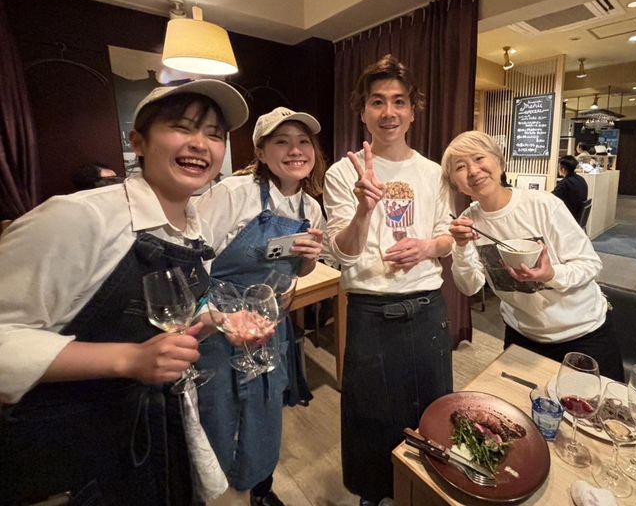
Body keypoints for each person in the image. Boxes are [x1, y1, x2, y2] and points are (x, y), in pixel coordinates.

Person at [0, 79, 251, 504]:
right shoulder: (79, 217)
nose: (200, 144)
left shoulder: (195, 227)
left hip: (156, 431)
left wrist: (211, 321)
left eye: (214, 134)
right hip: (74, 455)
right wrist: (131, 359)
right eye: (183, 127)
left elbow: (161, 322)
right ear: (138, 142)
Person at [323, 55, 454, 505]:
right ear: (363, 111)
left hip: (428, 309)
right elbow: (342, 254)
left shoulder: (433, 172)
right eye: (377, 102)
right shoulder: (343, 172)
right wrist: (363, 209)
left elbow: (448, 236)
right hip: (371, 311)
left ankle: (427, 489)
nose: (389, 112)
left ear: (413, 111)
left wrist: (427, 247)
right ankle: (374, 493)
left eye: (399, 102)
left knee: (433, 408)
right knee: (370, 415)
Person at [195, 107, 326, 506]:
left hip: (269, 324)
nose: (295, 150)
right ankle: (219, 497)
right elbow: (193, 261)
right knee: (220, 411)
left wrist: (308, 260)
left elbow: (300, 270)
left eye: (303, 141)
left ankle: (259, 489)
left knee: (266, 407)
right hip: (220, 323)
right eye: (281, 142)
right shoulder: (233, 194)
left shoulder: (310, 208)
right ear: (261, 152)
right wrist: (217, 315)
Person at [443, 131, 623, 381]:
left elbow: (590, 264)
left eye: (479, 158)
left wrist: (551, 274)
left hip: (583, 333)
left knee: (593, 405)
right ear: (455, 183)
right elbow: (470, 286)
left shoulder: (543, 205)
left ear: (499, 162)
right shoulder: (468, 224)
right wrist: (461, 247)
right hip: (522, 335)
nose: (473, 171)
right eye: (460, 167)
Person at [552, 155, 588, 221]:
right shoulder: (581, 179)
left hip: (569, 218)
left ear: (563, 169)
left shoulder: (564, 183)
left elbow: (551, 198)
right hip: (577, 217)